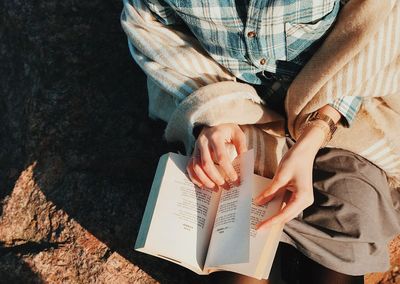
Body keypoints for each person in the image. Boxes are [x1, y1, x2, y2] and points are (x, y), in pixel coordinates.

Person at [121, 0, 400, 283]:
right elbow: (150, 28)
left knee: (340, 261)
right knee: (235, 267)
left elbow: (381, 22)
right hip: (234, 109)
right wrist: (214, 114)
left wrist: (317, 130)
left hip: (342, 113)